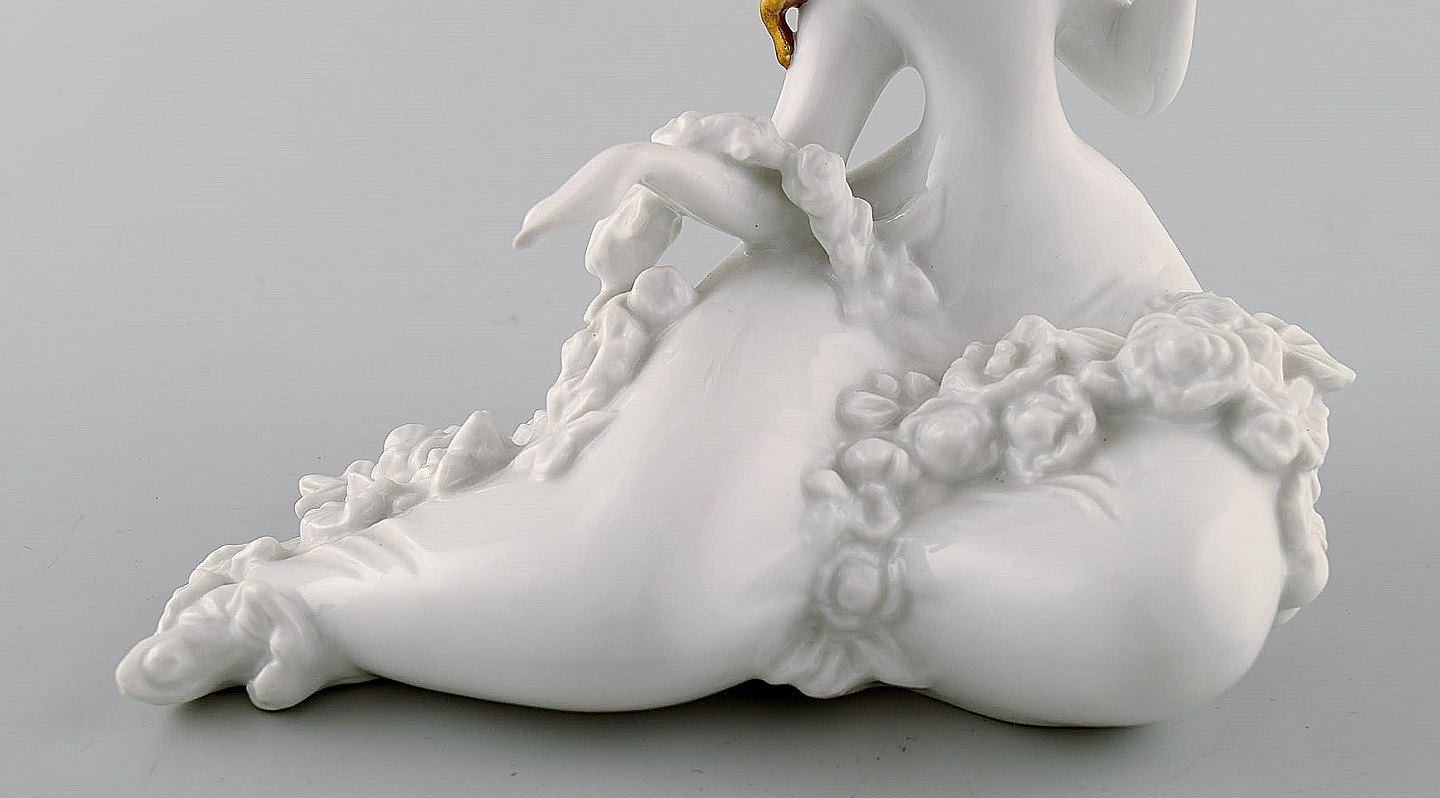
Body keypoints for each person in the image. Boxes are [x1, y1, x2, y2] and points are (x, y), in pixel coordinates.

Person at [118, 0, 1351, 726]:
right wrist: (652, 170)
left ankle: (869, 551)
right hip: (895, 273)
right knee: (647, 593)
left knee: (1188, 610)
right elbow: (791, 172)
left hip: (1085, 272)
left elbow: (1138, 77)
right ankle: (323, 600)